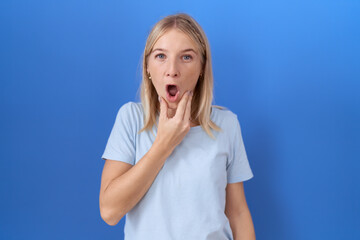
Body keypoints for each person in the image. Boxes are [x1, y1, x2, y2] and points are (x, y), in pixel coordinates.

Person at [99, 13, 256, 240]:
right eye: (161, 56)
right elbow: (110, 212)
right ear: (147, 68)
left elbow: (238, 213)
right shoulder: (131, 118)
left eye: (186, 57)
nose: (172, 69)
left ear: (202, 67)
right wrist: (163, 144)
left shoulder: (227, 124)